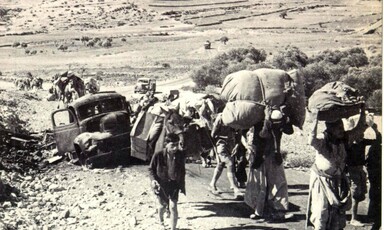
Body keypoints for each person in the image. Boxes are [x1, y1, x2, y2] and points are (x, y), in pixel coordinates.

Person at [306, 104, 366, 230]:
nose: (341, 130)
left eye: (342, 127)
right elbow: (311, 139)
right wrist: (315, 120)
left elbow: (359, 129)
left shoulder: (344, 139)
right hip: (322, 183)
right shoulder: (323, 142)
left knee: (337, 217)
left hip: (338, 182)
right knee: (321, 213)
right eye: (338, 128)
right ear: (331, 129)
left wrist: (362, 111)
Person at [244, 109, 292, 221]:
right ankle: (258, 211)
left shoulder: (279, 125)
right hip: (260, 158)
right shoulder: (260, 124)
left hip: (274, 157)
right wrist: (266, 119)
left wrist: (287, 119)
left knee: (279, 183)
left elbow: (289, 131)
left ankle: (280, 211)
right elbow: (263, 134)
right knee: (260, 185)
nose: (278, 125)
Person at [149, 133, 186, 230]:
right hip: (161, 183)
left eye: (177, 145)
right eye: (172, 145)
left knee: (173, 206)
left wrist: (182, 186)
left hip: (174, 184)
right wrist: (153, 181)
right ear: (166, 144)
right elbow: (151, 169)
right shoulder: (158, 154)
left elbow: (182, 171)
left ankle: (173, 228)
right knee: (162, 205)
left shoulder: (180, 155)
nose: (175, 148)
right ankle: (161, 223)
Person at [344, 115, 375, 227]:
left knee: (357, 194)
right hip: (352, 170)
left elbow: (376, 140)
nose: (363, 132)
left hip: (358, 169)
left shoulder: (360, 141)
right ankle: (353, 218)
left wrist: (374, 127)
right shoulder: (350, 143)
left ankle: (349, 216)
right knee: (354, 194)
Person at [208, 113, 243, 199]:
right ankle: (235, 189)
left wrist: (237, 145)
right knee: (229, 163)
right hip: (221, 143)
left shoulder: (237, 118)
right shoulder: (221, 118)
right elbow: (213, 134)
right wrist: (215, 149)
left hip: (231, 144)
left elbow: (239, 133)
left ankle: (212, 184)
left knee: (221, 164)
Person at [365, 123, 381, 230]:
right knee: (375, 195)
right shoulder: (376, 148)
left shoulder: (375, 147)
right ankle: (373, 215)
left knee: (374, 194)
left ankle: (372, 214)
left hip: (374, 173)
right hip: (375, 174)